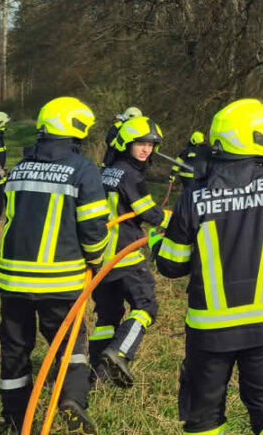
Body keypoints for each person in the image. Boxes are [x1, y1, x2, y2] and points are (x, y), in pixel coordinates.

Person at [157, 99, 263, 435]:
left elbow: (171, 266)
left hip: (209, 332)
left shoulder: (193, 197)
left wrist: (156, 243)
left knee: (204, 420)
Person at [0, 97, 110, 435]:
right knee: (71, 345)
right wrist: (96, 259)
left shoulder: (19, 168)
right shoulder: (83, 170)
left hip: (13, 280)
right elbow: (93, 227)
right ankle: (72, 398)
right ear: (76, 131)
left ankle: (16, 420)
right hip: (59, 281)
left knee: (15, 350)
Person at [89, 115, 167, 390]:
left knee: (107, 317)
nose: (146, 149)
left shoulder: (107, 170)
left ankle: (96, 375)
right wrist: (177, 221)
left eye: (151, 145)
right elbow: (149, 213)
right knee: (145, 307)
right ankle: (120, 352)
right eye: (140, 144)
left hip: (101, 258)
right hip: (126, 255)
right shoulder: (130, 174)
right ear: (126, 144)